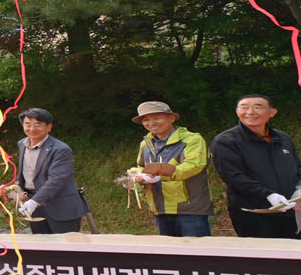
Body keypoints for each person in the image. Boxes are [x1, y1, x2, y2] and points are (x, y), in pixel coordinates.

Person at [211, 94, 301, 241]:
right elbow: (233, 176)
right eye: (244, 107)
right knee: (262, 253)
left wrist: (299, 187)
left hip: (290, 210)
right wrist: (268, 195)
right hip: (254, 213)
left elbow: (296, 168)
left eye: (258, 107)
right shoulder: (226, 141)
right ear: (237, 112)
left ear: (272, 112)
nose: (250, 112)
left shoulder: (283, 138)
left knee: (292, 252)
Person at [129, 101, 211, 238]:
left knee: (196, 249)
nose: (151, 123)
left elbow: (193, 166)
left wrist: (160, 173)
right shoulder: (145, 144)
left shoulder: (193, 140)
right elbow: (141, 167)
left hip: (190, 209)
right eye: (146, 120)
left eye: (156, 118)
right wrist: (138, 178)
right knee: (169, 249)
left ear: (171, 118)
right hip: (160, 208)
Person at [6, 108, 86, 234]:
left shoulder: (60, 149)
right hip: (35, 209)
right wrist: (17, 188)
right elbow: (26, 173)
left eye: (38, 125)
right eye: (28, 124)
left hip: (60, 207)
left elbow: (57, 180)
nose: (32, 129)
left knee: (65, 244)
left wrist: (35, 201)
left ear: (49, 127)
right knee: (41, 243)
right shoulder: (22, 144)